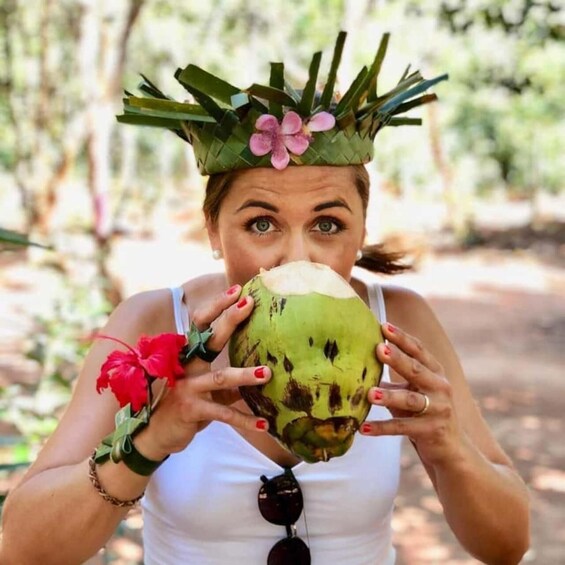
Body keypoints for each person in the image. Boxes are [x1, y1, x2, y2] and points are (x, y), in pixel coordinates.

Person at [0, 32, 529, 565]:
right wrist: (149, 440)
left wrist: (451, 448)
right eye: (261, 223)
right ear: (213, 229)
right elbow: (23, 547)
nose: (296, 257)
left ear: (362, 228)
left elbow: (507, 545)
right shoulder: (155, 322)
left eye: (328, 224)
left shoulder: (400, 324)